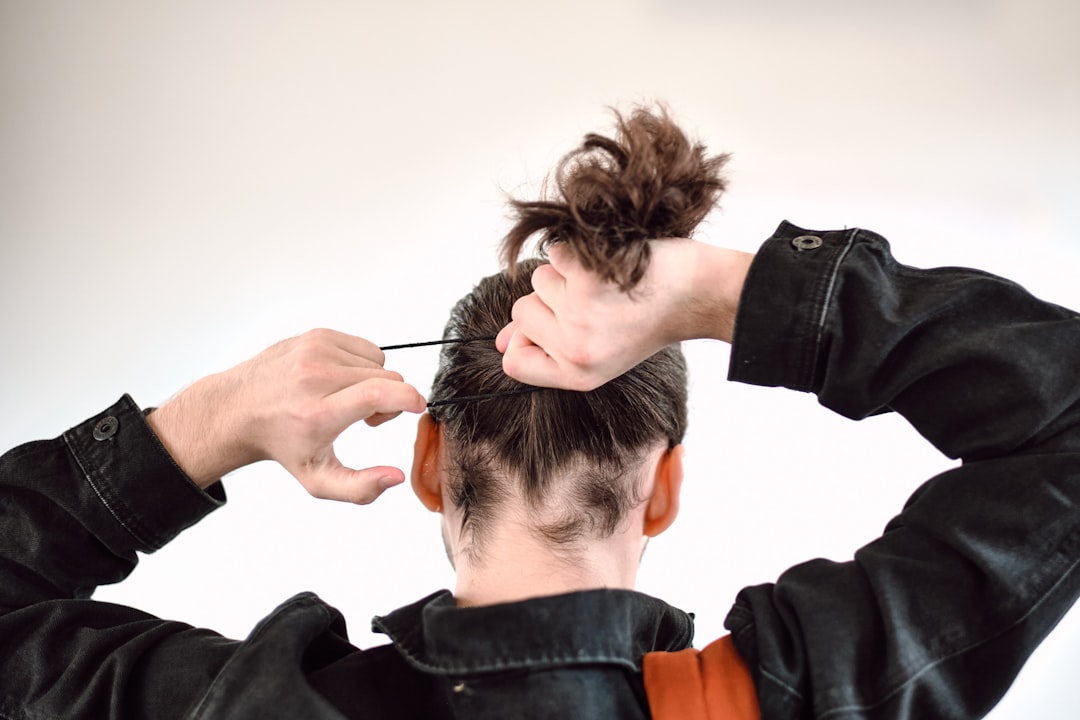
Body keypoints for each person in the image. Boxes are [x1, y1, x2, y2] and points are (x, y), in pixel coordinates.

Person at [0, 108, 1077, 720]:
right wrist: (720, 293)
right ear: (664, 489)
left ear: (430, 463)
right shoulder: (787, 705)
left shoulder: (239, 712)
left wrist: (210, 419)